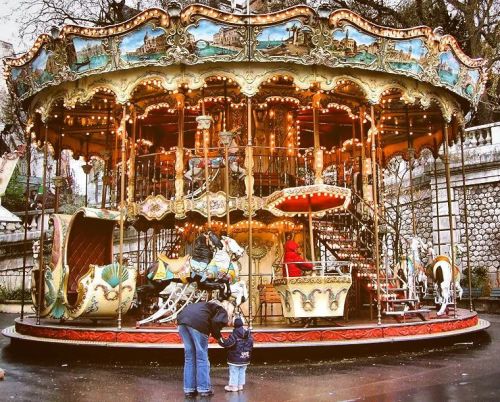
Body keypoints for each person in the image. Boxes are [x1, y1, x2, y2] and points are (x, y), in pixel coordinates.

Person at [177, 299, 234, 398]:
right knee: (201, 357)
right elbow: (216, 322)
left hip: (182, 322)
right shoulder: (221, 309)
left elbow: (211, 321)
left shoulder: (204, 305)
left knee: (189, 358)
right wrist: (219, 338)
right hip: (198, 324)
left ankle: (189, 390)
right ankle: (204, 389)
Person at [218, 315, 253, 392]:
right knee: (242, 371)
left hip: (235, 358)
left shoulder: (234, 335)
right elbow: (251, 345)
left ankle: (233, 386)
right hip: (245, 357)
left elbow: (228, 344)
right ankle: (240, 385)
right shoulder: (249, 334)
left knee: (234, 371)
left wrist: (220, 340)